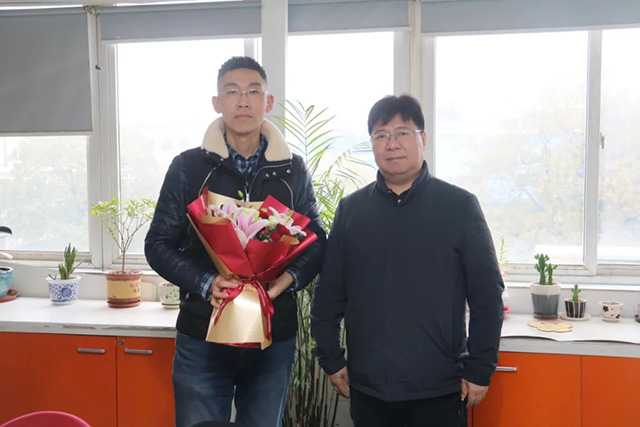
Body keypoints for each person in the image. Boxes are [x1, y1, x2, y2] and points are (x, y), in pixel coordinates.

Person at [145, 56, 326, 427]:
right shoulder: (189, 167)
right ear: (217, 103)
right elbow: (158, 244)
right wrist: (206, 282)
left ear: (268, 102)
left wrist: (285, 281)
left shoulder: (292, 169)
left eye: (253, 91)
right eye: (232, 92)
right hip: (203, 332)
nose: (243, 101)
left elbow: (317, 240)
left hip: (273, 333)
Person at [311, 95, 504, 427]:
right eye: (381, 135)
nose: (392, 144)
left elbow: (487, 294)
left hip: (440, 386)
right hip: (369, 387)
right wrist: (330, 357)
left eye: (403, 133)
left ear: (423, 139)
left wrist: (480, 368)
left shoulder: (459, 207)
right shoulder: (352, 211)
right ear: (372, 144)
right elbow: (328, 294)